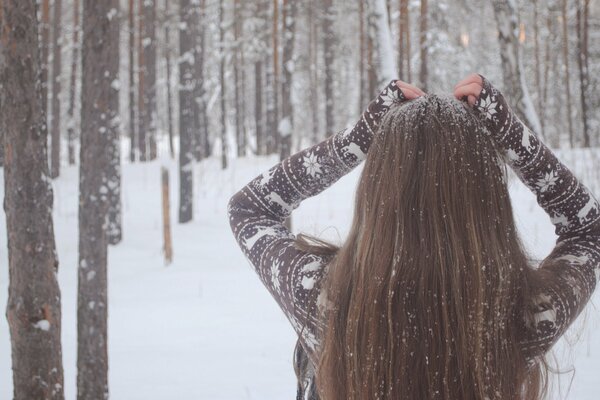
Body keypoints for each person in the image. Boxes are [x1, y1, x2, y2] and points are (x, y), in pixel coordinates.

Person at [227, 74, 600, 400]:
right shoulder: (521, 317)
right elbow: (588, 229)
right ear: (488, 203)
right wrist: (511, 137)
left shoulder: (327, 302)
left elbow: (250, 210)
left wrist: (355, 140)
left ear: (377, 193)